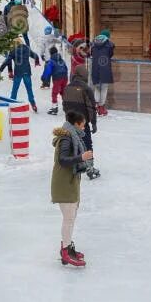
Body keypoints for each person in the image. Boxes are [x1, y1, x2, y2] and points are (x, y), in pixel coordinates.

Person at [51, 110, 93, 268]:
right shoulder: (67, 138)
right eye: (83, 125)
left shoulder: (72, 135)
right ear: (76, 124)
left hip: (70, 181)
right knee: (68, 218)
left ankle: (67, 246)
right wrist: (81, 158)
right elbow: (62, 160)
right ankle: (66, 250)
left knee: (71, 216)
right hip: (64, 183)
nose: (84, 128)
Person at [61, 65, 100, 180]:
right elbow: (91, 107)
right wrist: (93, 122)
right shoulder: (86, 89)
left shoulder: (67, 87)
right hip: (82, 122)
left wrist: (69, 117)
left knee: (72, 143)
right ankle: (89, 167)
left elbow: (64, 105)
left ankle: (73, 165)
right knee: (87, 144)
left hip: (70, 122)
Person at [0, 37, 40, 113]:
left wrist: (0, 69)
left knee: (15, 90)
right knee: (29, 89)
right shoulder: (27, 48)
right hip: (27, 72)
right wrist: (37, 61)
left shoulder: (13, 51)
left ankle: (11, 105)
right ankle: (33, 104)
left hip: (18, 73)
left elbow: (7, 61)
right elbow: (35, 55)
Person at [90, 29, 115, 116]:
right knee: (104, 89)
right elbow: (110, 54)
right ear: (108, 36)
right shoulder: (109, 44)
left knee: (97, 87)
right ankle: (101, 108)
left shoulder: (93, 43)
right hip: (105, 68)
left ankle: (96, 106)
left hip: (95, 68)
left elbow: (92, 54)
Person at [41, 46, 69, 116]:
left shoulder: (51, 62)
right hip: (65, 77)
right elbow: (66, 68)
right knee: (63, 92)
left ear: (50, 53)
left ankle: (54, 108)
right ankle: (66, 106)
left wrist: (43, 78)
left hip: (57, 79)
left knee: (54, 93)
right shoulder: (62, 60)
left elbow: (47, 71)